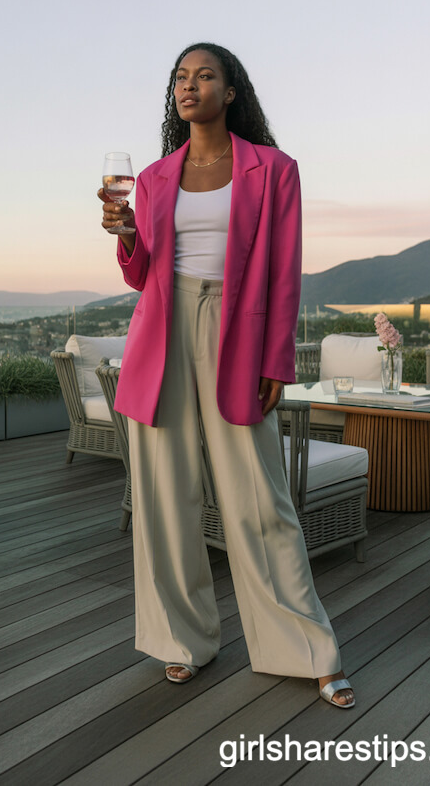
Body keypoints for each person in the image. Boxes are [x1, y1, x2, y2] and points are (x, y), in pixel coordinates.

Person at [99, 42, 354, 708]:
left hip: (237, 329)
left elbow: (283, 271)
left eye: (204, 75)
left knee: (261, 499)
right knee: (163, 497)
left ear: (230, 90)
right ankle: (183, 642)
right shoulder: (154, 178)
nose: (190, 85)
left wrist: (278, 359)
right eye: (181, 77)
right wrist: (125, 235)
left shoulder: (274, 170)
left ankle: (305, 647)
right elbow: (141, 273)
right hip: (163, 327)